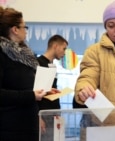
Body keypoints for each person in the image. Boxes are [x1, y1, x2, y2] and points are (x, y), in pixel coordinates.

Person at [73, 1, 115, 140]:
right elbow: (88, 75)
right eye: (111, 26)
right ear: (106, 27)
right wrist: (83, 88)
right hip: (103, 127)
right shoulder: (95, 51)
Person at [0, 6, 47, 141]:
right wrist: (31, 95)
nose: (26, 32)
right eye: (24, 27)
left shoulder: (24, 55)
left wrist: (44, 91)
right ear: (15, 30)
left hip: (28, 125)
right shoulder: (2, 54)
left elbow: (26, 87)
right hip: (9, 129)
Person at [37, 34, 68, 141]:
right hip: (43, 115)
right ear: (55, 46)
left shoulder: (52, 65)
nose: (64, 53)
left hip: (53, 115)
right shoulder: (38, 63)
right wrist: (38, 117)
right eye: (64, 49)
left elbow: (46, 91)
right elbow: (36, 93)